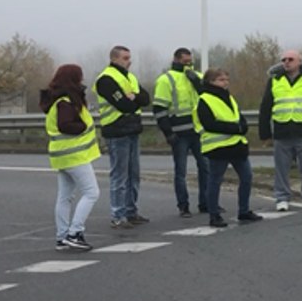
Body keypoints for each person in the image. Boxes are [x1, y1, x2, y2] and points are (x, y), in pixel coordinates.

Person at [258, 50, 302, 211]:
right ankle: (282, 197)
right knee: (281, 168)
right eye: (283, 59)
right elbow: (265, 107)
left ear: (299, 62)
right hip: (282, 130)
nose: (286, 62)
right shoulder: (275, 80)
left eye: (290, 59)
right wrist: (264, 132)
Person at [40, 64, 101, 252]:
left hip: (62, 156)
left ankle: (62, 237)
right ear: (73, 79)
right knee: (91, 192)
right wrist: (82, 126)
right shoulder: (66, 102)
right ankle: (75, 233)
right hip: (74, 155)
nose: (82, 80)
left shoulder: (57, 100)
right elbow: (65, 124)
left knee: (65, 197)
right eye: (79, 76)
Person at [194, 68, 263, 228]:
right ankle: (214, 215)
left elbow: (239, 117)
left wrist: (242, 127)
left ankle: (244, 211)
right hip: (218, 147)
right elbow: (209, 124)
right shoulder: (204, 99)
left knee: (247, 177)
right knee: (215, 181)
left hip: (237, 145)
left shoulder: (229, 97)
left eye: (226, 79)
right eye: (221, 80)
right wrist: (235, 128)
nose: (225, 83)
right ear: (211, 82)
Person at [93, 45, 151, 229]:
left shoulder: (130, 77)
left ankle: (131, 211)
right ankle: (118, 215)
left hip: (133, 128)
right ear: (114, 59)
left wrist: (134, 97)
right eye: (125, 58)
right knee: (119, 176)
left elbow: (146, 98)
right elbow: (124, 105)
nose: (129, 61)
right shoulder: (106, 79)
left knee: (133, 175)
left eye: (129, 57)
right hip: (116, 130)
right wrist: (134, 99)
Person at [152, 47, 211, 218]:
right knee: (181, 172)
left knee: (206, 167)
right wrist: (168, 133)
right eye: (185, 61)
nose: (188, 64)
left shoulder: (197, 76)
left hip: (197, 131)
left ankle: (206, 203)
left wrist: (197, 83)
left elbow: (208, 98)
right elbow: (159, 109)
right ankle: (183, 206)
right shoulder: (166, 80)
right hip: (178, 133)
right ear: (176, 59)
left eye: (190, 61)